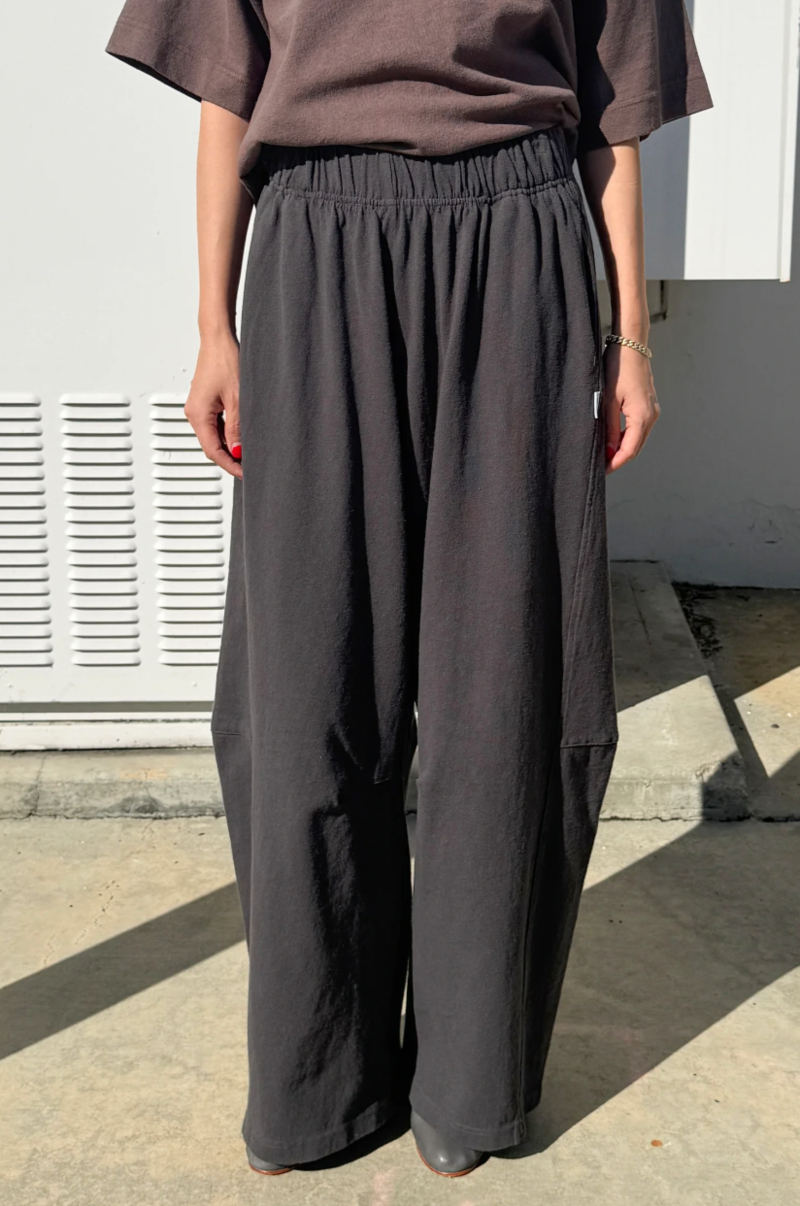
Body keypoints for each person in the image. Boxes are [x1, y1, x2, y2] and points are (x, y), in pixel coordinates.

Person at [105, 0, 712, 1178]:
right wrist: (213, 329)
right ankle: (314, 1083)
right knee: (306, 684)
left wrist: (627, 337)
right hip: (316, 244)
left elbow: (611, 121)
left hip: (520, 245)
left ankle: (469, 1082)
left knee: (506, 692)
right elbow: (229, 96)